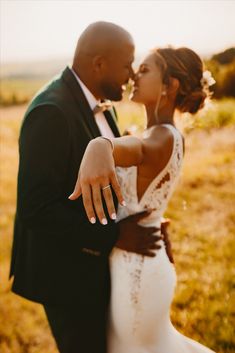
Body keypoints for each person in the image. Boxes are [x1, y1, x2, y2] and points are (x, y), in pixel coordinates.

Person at [9, 22, 165, 353]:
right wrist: (115, 235)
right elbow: (35, 207)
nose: (132, 74)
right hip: (66, 276)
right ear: (98, 64)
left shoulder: (98, 105)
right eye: (127, 64)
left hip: (97, 268)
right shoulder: (52, 111)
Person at [70, 47, 215, 352]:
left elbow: (137, 150)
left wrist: (101, 146)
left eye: (146, 69)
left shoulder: (162, 137)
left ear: (170, 85)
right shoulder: (155, 132)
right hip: (134, 261)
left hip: (138, 277)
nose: (136, 74)